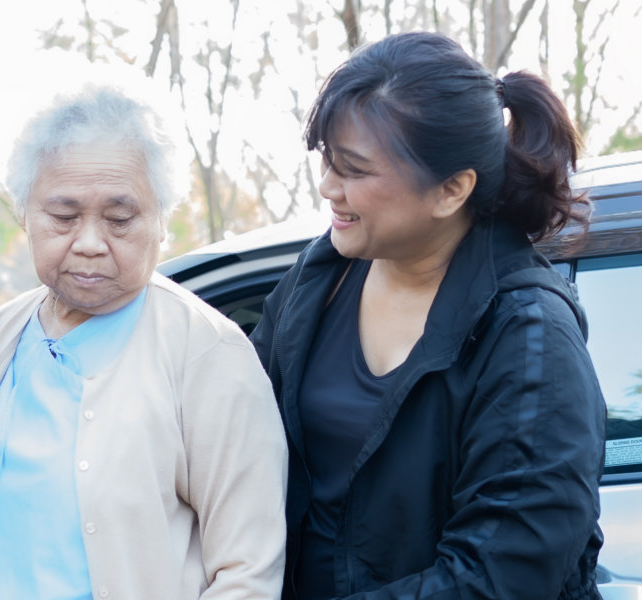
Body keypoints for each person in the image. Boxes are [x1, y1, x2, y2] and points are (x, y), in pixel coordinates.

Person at [0, 75, 287, 600]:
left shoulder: (209, 355)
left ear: (162, 221)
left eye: (120, 219)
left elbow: (247, 573)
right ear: (24, 214)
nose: (90, 242)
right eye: (64, 216)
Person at [250, 32, 609, 600]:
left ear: (451, 190)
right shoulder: (320, 277)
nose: (328, 188)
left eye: (354, 170)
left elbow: (500, 577)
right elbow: (231, 434)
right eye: (327, 163)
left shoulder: (528, 338)